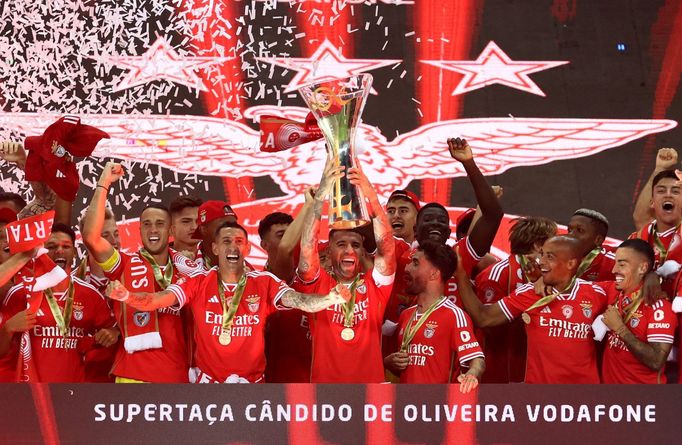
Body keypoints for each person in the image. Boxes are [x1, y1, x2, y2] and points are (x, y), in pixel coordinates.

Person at [106, 221, 351, 383]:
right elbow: (157, 300)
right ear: (214, 248)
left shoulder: (263, 281)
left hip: (253, 388)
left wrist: (331, 298)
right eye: (226, 241)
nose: (232, 246)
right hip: (209, 388)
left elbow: (299, 301)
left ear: (247, 248)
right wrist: (126, 296)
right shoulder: (198, 281)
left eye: (238, 242)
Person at [83, 162, 200, 383]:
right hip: (131, 376)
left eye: (159, 224)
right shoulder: (124, 264)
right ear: (140, 231)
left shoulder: (190, 271)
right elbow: (91, 236)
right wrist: (103, 184)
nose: (153, 230)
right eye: (146, 224)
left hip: (176, 376)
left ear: (171, 230)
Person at [295, 158, 396, 383]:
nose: (350, 250)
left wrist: (371, 196)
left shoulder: (375, 286)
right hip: (325, 395)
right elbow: (307, 247)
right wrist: (319, 197)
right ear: (329, 251)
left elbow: (387, 248)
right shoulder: (318, 285)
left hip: (371, 395)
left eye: (356, 245)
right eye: (341, 245)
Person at [457, 235, 607, 384]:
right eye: (541, 254)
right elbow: (484, 318)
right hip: (539, 397)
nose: (541, 261)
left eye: (550, 257)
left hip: (584, 397)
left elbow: (629, 285)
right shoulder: (532, 293)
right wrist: (461, 275)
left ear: (571, 263)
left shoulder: (598, 293)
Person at [386, 138, 503, 322]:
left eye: (441, 220)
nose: (435, 223)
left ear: (449, 233)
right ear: (416, 229)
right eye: (428, 219)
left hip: (458, 346)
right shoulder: (399, 256)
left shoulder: (460, 256)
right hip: (409, 347)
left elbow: (493, 215)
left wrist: (468, 163)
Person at [0, 225, 118, 382]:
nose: (60, 251)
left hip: (73, 393)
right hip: (30, 391)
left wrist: (113, 333)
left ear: (75, 252)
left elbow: (114, 331)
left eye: (66, 246)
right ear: (40, 252)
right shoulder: (21, 293)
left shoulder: (91, 295)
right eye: (52, 246)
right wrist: (8, 329)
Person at [384, 241, 484, 390]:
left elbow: (477, 360)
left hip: (437, 407)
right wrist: (388, 362)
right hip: (406, 407)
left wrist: (471, 374)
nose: (407, 267)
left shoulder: (454, 315)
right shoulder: (406, 315)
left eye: (415, 263)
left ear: (434, 274)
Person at [474, 216, 557, 383]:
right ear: (538, 245)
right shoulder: (497, 274)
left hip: (534, 370)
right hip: (501, 372)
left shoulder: (550, 275)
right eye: (553, 240)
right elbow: (488, 326)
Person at [597, 239, 676, 383]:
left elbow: (656, 361)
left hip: (643, 400)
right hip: (610, 396)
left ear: (642, 268)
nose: (614, 270)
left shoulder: (659, 308)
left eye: (621, 264)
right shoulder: (613, 291)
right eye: (615, 263)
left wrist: (620, 329)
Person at [567, 208, 616, 281]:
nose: (570, 235)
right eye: (569, 230)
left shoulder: (613, 265)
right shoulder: (556, 255)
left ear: (598, 240)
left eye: (580, 230)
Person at [191, 200, 238, 270]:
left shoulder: (246, 270)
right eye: (224, 225)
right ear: (203, 229)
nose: (232, 230)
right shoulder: (185, 266)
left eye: (235, 225)